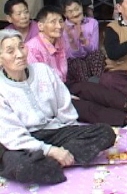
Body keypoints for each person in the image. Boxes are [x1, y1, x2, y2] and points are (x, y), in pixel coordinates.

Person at [0, 29, 116, 185]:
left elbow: (64, 106)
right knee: (22, 167)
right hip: (21, 141)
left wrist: (72, 131)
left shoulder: (43, 71)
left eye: (21, 47)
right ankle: (56, 159)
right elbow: (12, 135)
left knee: (105, 132)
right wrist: (51, 150)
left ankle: (47, 164)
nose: (20, 54)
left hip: (53, 131)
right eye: (10, 51)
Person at [26, 5, 127, 127]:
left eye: (61, 21)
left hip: (62, 85)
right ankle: (125, 119)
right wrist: (66, 95)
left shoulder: (59, 41)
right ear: (40, 26)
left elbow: (63, 73)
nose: (59, 26)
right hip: (46, 95)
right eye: (53, 22)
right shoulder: (32, 48)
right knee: (82, 106)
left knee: (91, 88)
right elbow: (40, 86)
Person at [60, 0, 104, 84]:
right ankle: (88, 86)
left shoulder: (92, 23)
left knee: (98, 55)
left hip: (90, 56)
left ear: (81, 7)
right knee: (78, 64)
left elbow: (94, 49)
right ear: (65, 14)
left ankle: (97, 82)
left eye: (77, 9)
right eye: (70, 11)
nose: (75, 13)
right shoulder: (63, 29)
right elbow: (72, 55)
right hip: (74, 60)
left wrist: (83, 39)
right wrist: (73, 39)